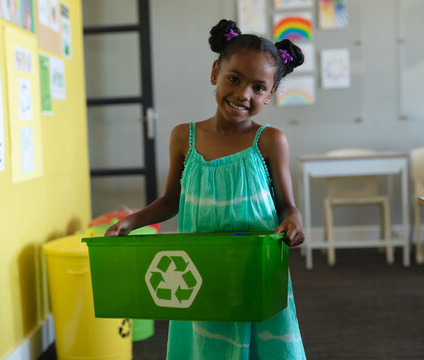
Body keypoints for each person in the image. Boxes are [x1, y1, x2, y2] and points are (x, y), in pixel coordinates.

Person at [106, 19, 306, 359]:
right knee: (209, 344)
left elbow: (287, 206)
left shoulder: (271, 141)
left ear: (270, 95)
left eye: (259, 88)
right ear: (215, 72)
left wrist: (294, 221)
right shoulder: (183, 137)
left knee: (260, 345)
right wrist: (133, 220)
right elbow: (171, 201)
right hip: (200, 272)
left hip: (254, 272)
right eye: (234, 79)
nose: (243, 94)